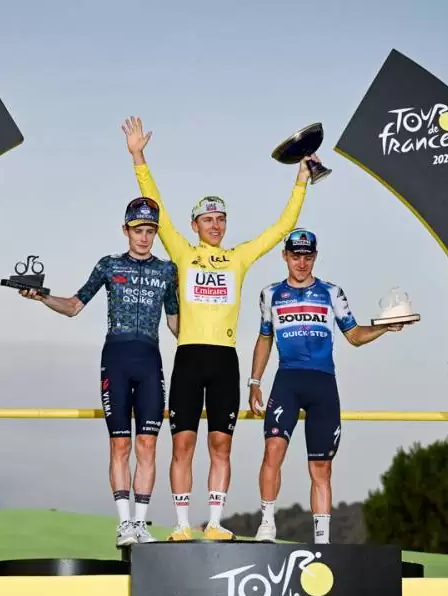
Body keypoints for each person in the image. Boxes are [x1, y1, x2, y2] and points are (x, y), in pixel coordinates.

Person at [123, 115, 316, 541]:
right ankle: (181, 525)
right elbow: (155, 205)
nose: (215, 225)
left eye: (221, 219)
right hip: (190, 356)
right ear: (194, 225)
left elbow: (282, 228)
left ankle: (213, 522)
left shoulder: (238, 257)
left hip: (225, 359)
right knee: (183, 444)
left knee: (221, 445)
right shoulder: (182, 251)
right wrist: (138, 157)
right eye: (208, 220)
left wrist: (301, 181)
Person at [20, 197, 179, 546]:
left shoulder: (168, 271)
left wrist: (212, 330)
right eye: (138, 230)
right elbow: (74, 306)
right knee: (120, 444)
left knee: (148, 445)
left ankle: (141, 524)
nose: (144, 237)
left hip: (149, 360)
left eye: (150, 231)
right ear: (126, 230)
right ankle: (124, 525)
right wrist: (42, 297)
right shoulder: (109, 265)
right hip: (117, 359)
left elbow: (175, 323)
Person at [248, 229, 409, 544]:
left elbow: (354, 335)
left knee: (321, 466)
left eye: (308, 257)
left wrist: (385, 327)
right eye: (296, 257)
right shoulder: (270, 294)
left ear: (315, 257)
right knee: (273, 450)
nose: (302, 263)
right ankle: (267, 524)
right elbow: (265, 337)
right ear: (285, 256)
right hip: (288, 380)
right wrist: (255, 381)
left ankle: (322, 540)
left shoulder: (332, 292)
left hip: (322, 383)